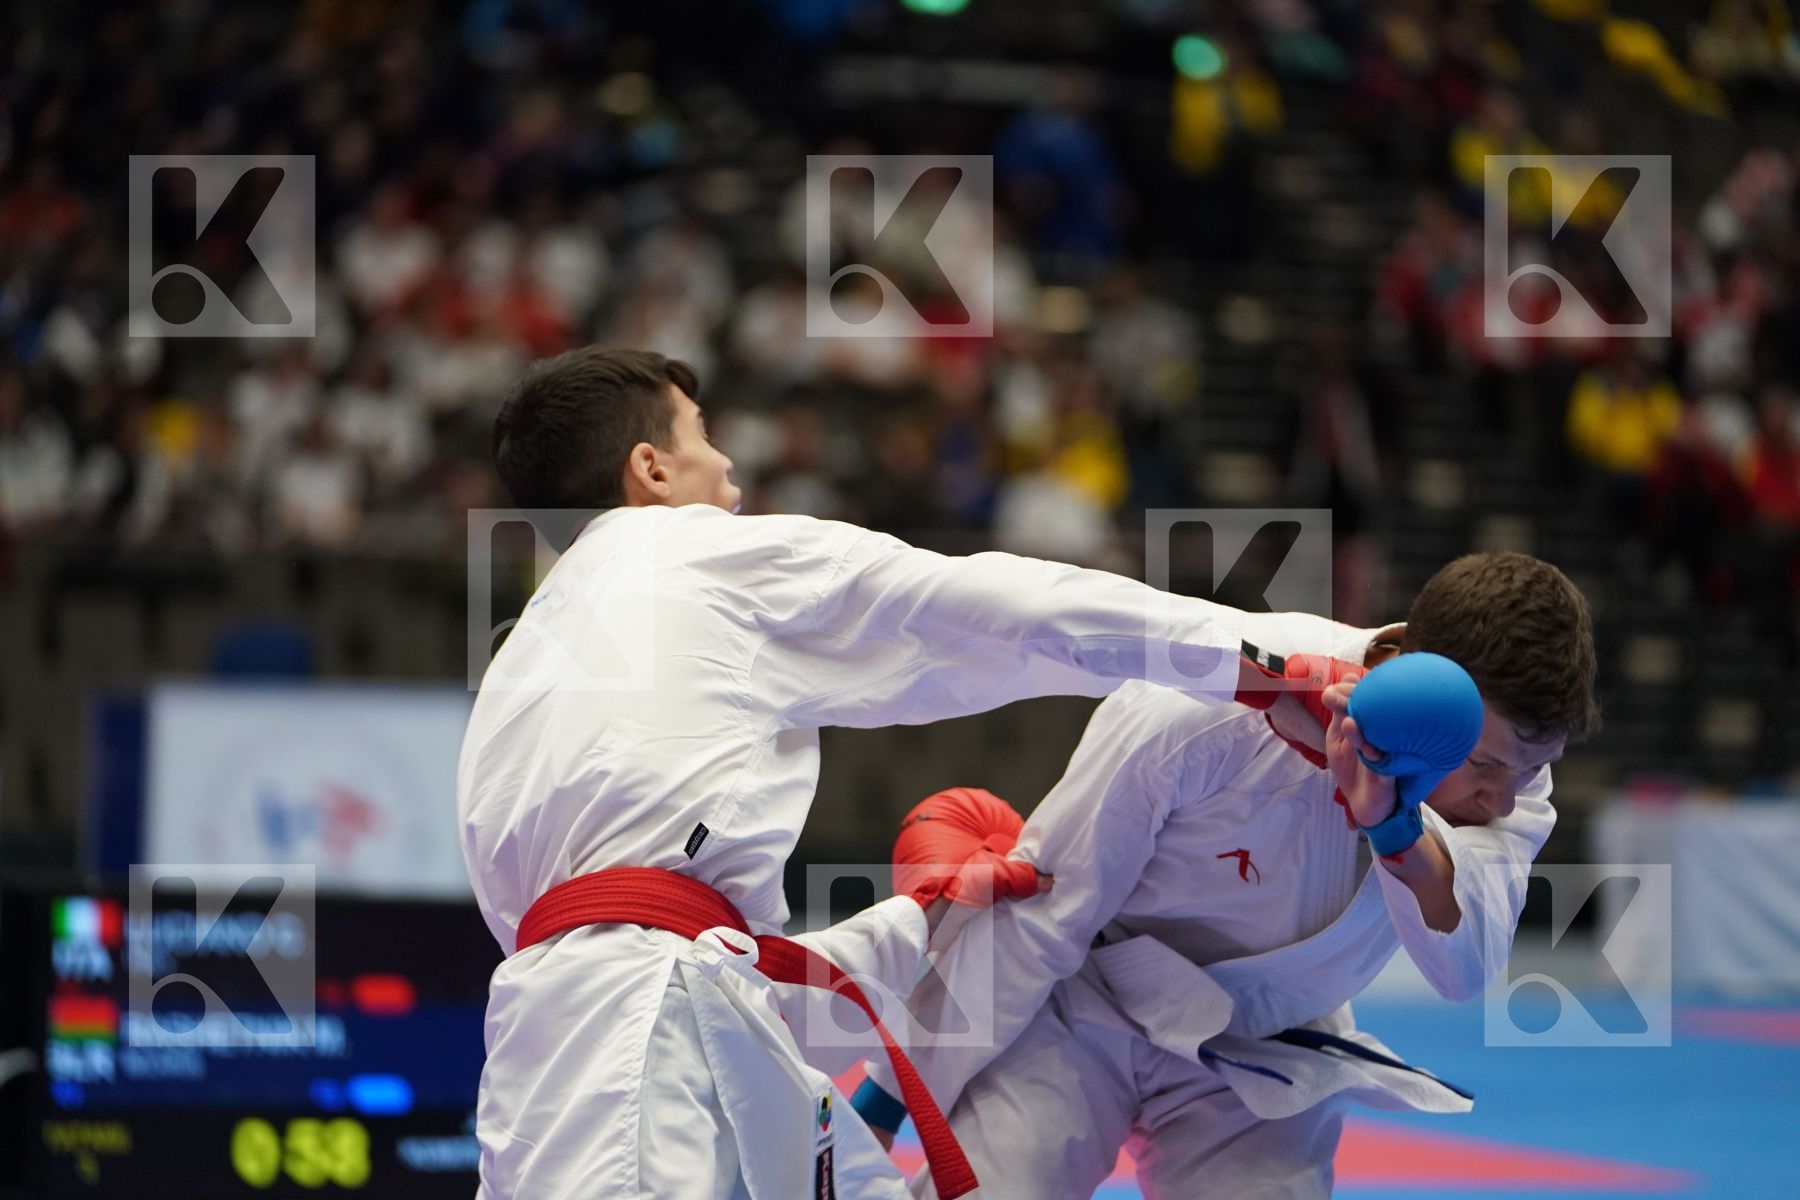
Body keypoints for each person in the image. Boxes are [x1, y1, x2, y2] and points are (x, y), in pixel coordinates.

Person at [455, 346, 1331, 1199]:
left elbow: (662, 949)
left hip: (573, 1052)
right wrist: (1265, 659)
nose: (728, 465)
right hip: (639, 1050)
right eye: (703, 433)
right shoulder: (692, 551)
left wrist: (923, 918)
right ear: (650, 468)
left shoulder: (516, 673)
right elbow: (1001, 610)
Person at [854, 553, 1599, 1199]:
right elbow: (1041, 920)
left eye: (1529, 773)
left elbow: (1464, 967)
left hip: (1269, 1044)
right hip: (1081, 1003)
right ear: (1425, 691)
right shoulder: (1209, 702)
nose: (1504, 800)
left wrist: (1394, 829)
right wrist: (882, 1107)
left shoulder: (1508, 777)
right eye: (1489, 768)